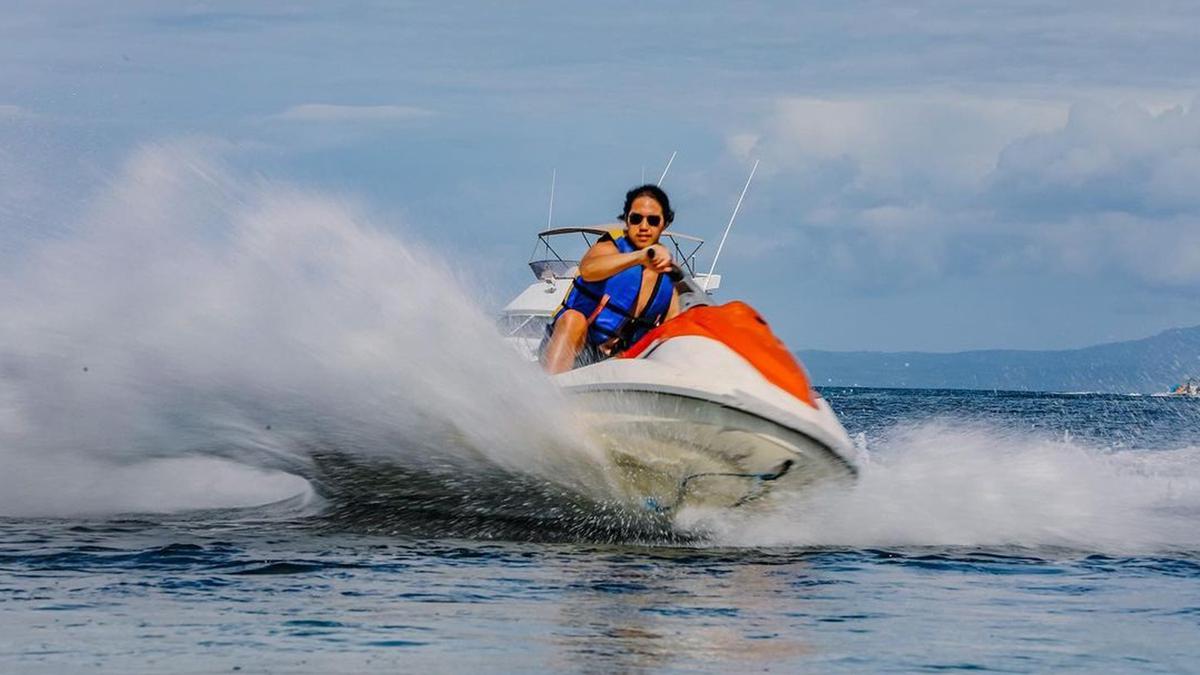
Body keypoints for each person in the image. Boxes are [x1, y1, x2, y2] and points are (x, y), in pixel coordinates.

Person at [541, 184, 681, 374]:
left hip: (615, 362)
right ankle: (548, 391)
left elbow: (672, 328)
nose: (644, 227)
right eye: (636, 219)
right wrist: (640, 257)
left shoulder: (668, 280)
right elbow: (588, 270)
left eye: (653, 220)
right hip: (575, 347)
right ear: (627, 221)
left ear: (664, 224)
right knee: (574, 318)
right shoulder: (609, 247)